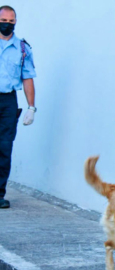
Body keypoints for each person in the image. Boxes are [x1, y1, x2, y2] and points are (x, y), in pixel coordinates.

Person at [0, 5, 37, 209]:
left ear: (15, 22)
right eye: (3, 20)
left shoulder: (23, 48)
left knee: (5, 147)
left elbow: (28, 77)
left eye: (10, 21)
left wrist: (31, 107)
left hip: (8, 101)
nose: (7, 24)